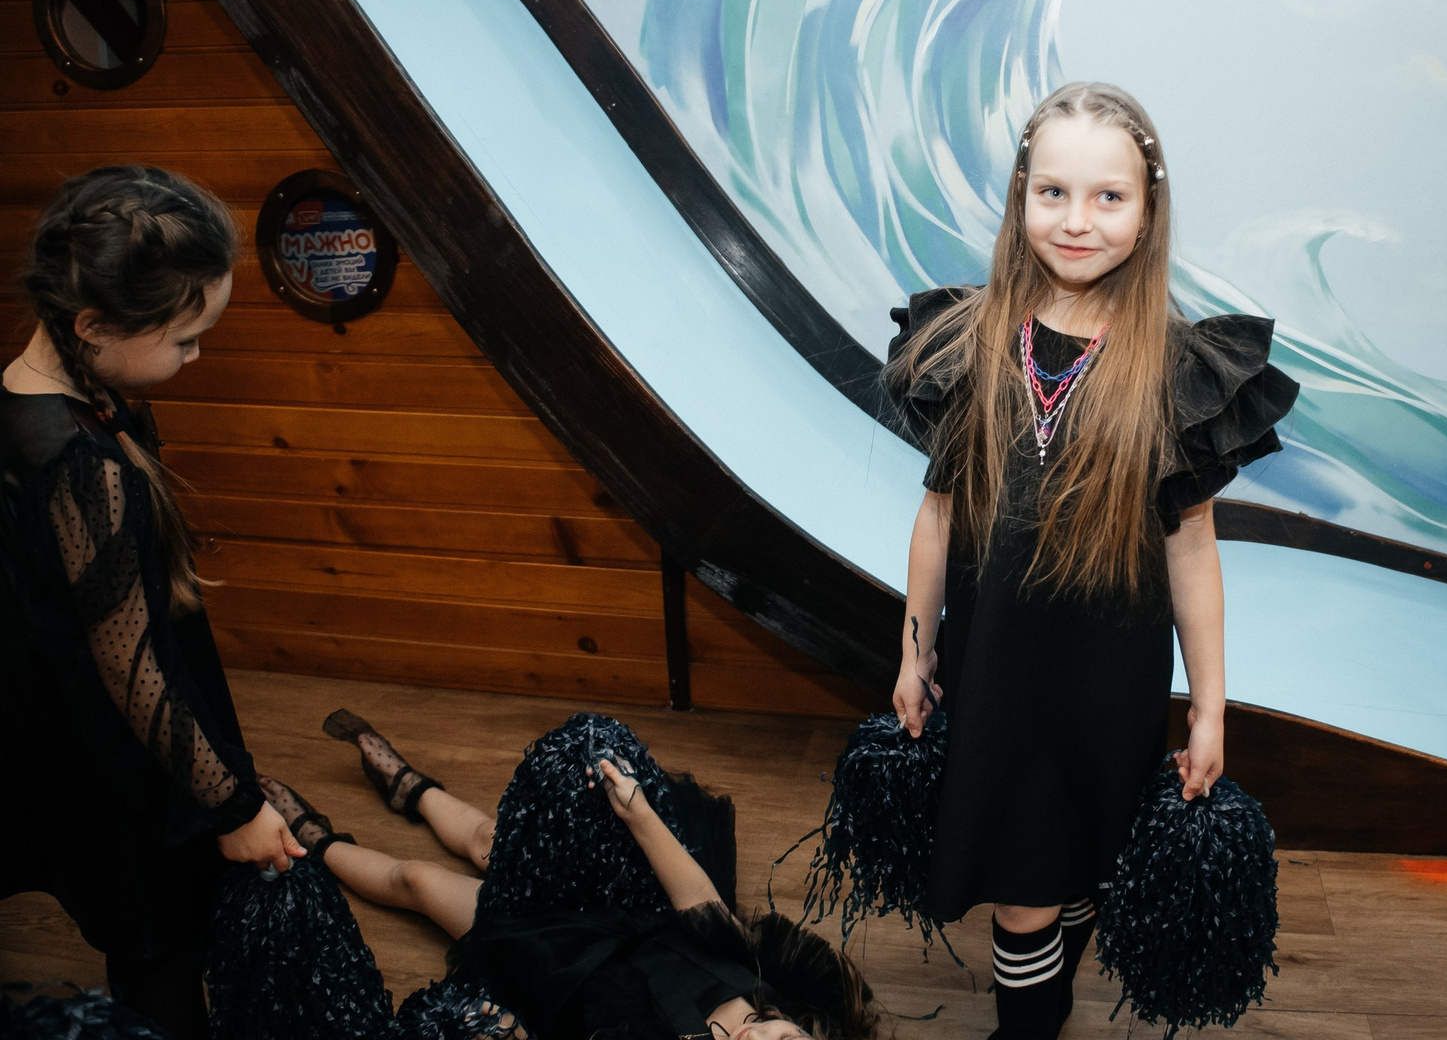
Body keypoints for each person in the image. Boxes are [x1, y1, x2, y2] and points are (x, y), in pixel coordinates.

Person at [884, 82, 1297, 1039]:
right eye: (1053, 192)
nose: (1077, 221)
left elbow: (1191, 549)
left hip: (1108, 689)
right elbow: (936, 519)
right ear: (1021, 195)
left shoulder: (1179, 370)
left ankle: (1049, 994)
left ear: (1148, 210)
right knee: (1022, 890)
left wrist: (1209, 706)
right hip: (997, 677)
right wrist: (913, 651)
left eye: (1109, 196)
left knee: (1073, 872)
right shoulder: (964, 342)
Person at [0, 166, 303, 1039]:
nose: (195, 357)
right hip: (119, 767)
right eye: (184, 340)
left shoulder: (35, 390)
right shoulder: (80, 468)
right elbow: (132, 674)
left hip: (73, 736)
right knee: (160, 947)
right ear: (92, 325)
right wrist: (232, 806)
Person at [259, 710, 881, 1040]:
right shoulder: (787, 986)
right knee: (489, 842)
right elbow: (703, 908)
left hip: (558, 963)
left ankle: (313, 840)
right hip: (627, 904)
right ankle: (410, 787)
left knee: (416, 881)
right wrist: (637, 812)